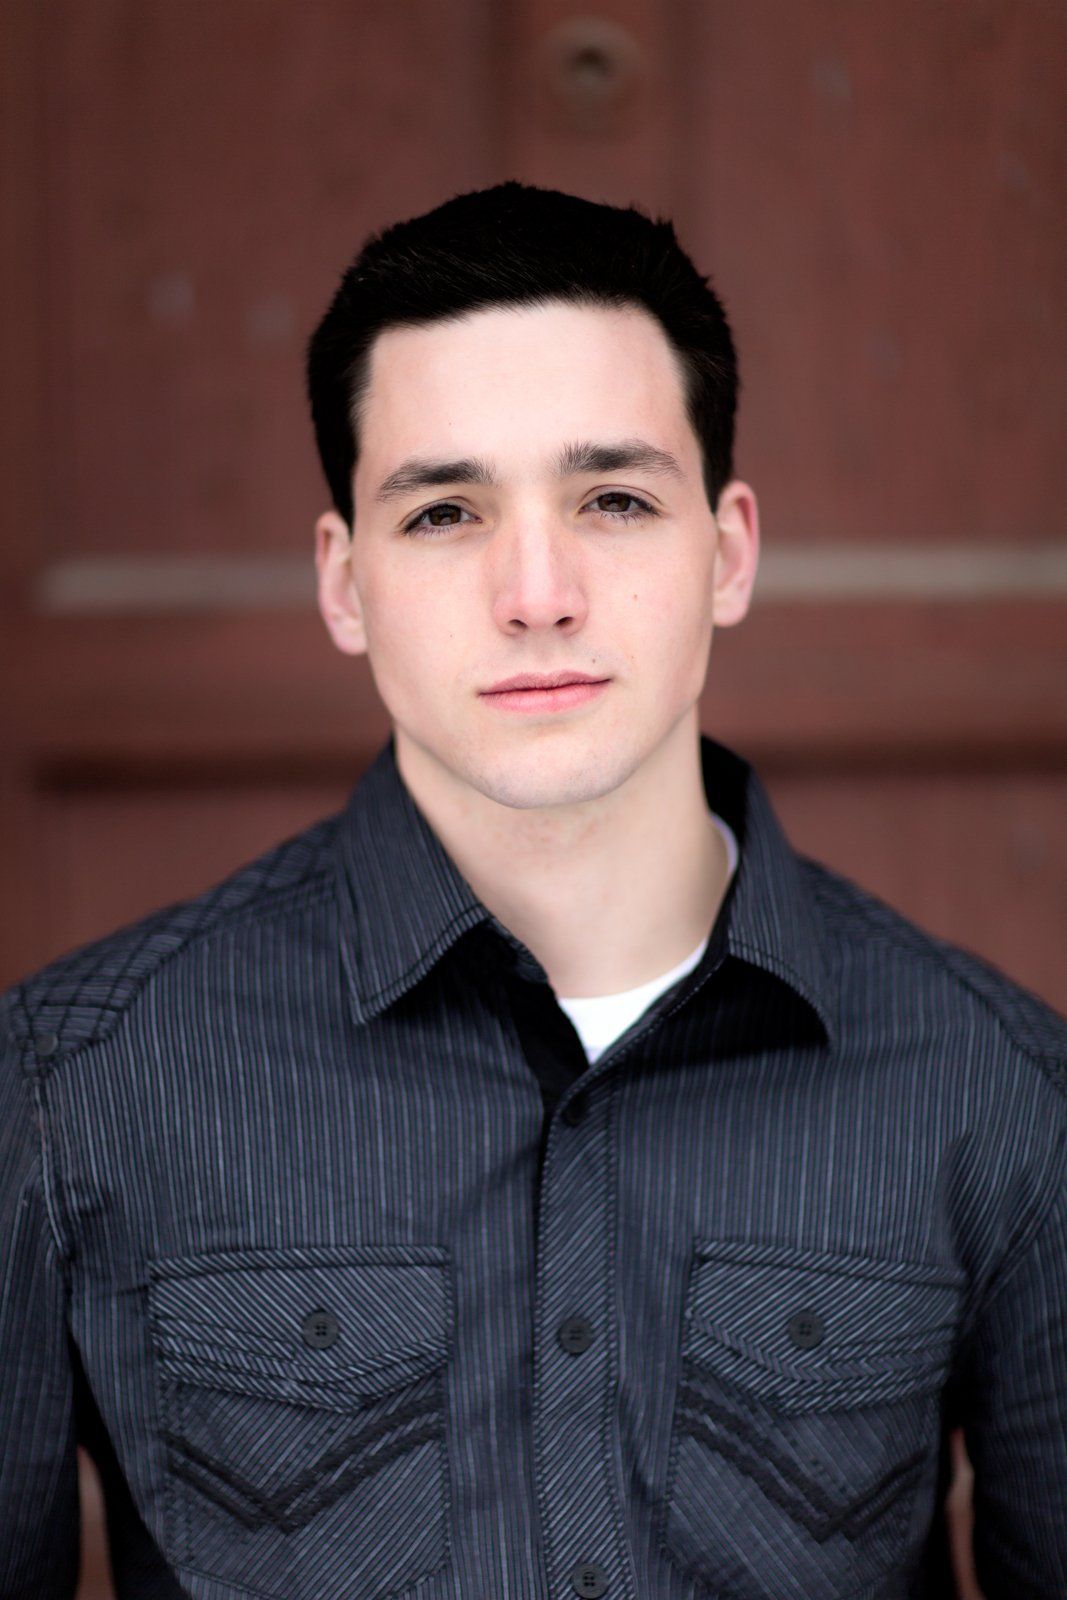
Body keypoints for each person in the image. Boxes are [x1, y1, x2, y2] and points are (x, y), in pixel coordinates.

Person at [1, 181, 1064, 1600]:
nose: (537, 590)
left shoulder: (996, 1087)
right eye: (444, 511)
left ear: (729, 550)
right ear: (345, 583)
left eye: (613, 498)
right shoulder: (70, 1089)